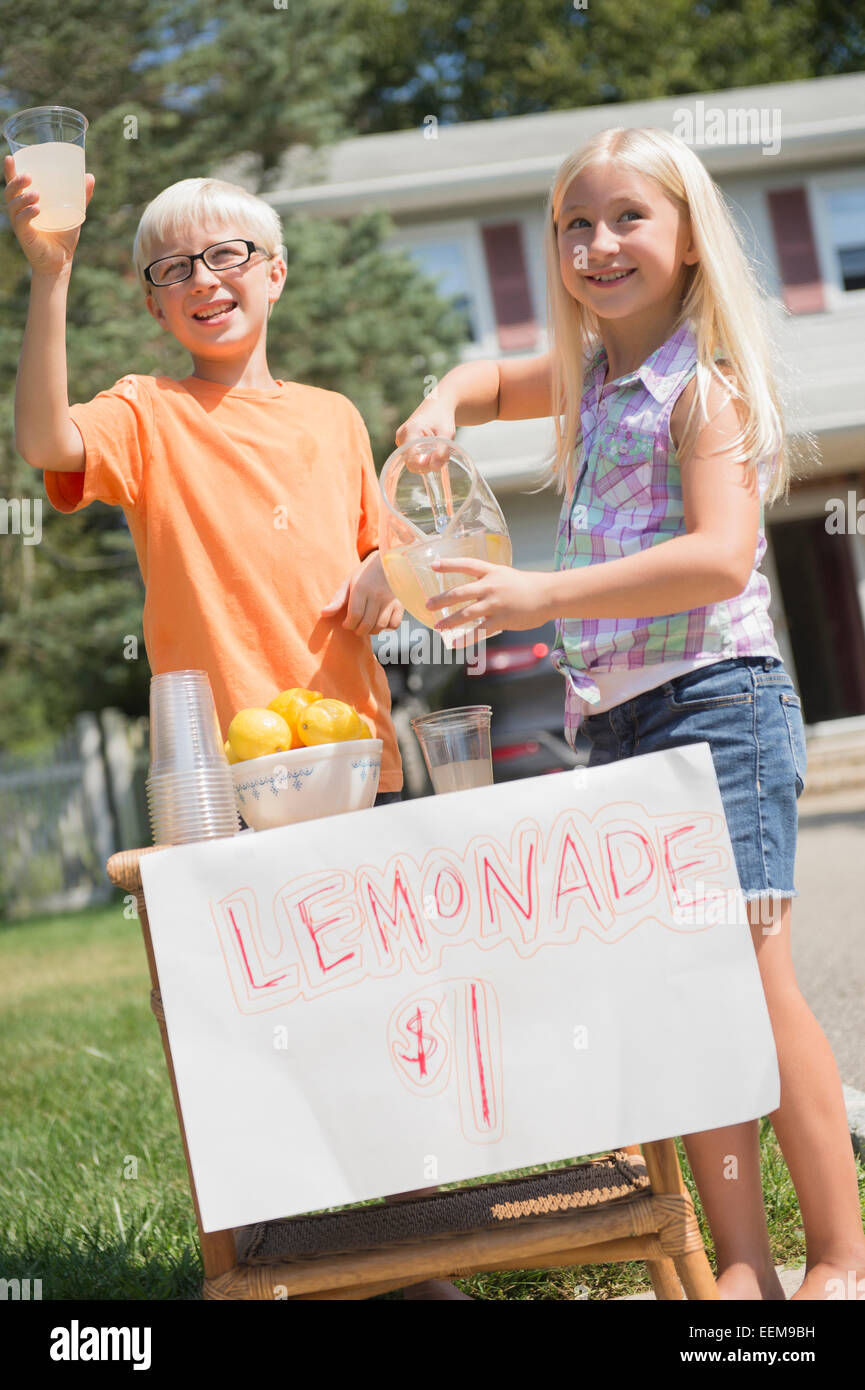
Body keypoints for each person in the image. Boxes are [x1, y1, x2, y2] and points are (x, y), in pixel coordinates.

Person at [396, 126, 865, 1301]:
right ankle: (743, 1264)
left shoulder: (697, 389)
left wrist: (540, 592)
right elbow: (495, 380)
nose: (597, 245)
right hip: (617, 725)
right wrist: (442, 404)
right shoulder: (597, 376)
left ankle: (844, 1258)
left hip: (717, 707)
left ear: (691, 242)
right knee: (683, 997)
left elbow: (715, 559)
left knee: (756, 979)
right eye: (574, 226)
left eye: (626, 220)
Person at [4, 161, 465, 1299]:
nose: (204, 280)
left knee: (382, 1009)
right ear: (155, 301)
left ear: (275, 273)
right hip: (219, 782)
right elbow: (46, 445)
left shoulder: (332, 417)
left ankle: (425, 1252)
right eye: (174, 268)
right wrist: (49, 276)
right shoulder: (146, 416)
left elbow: (391, 556)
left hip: (352, 760)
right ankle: (278, 1262)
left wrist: (380, 568)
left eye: (227, 257)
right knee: (242, 1028)